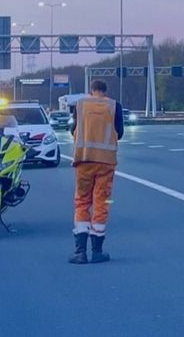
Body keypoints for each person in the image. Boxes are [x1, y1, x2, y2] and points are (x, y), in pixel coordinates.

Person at [69, 79, 124, 264]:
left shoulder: (81, 104)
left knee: (82, 202)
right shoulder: (114, 106)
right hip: (106, 162)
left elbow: (72, 129)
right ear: (105, 91)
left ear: (91, 91)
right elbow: (120, 132)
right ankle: (97, 251)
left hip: (84, 159)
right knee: (102, 202)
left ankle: (80, 251)